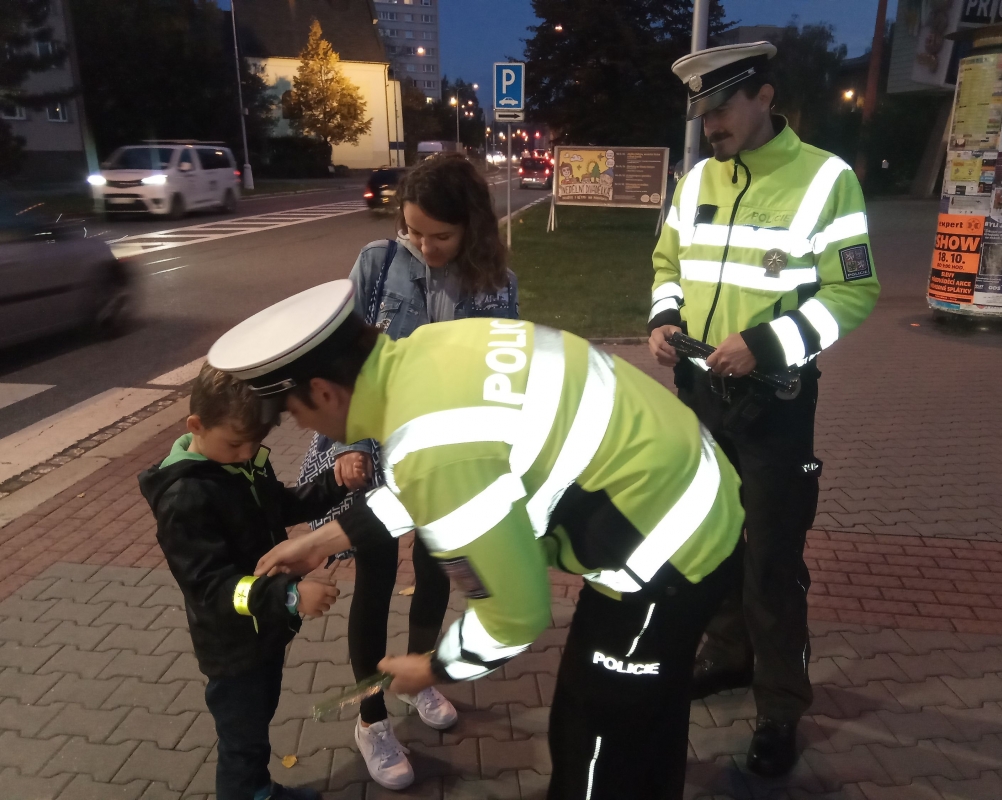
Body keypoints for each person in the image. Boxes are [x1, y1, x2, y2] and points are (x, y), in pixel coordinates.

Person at [206, 280, 745, 800]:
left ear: (323, 392)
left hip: (668, 553)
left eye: (294, 412)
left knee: (598, 734)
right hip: (693, 485)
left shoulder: (432, 448)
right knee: (646, 705)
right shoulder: (428, 351)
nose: (299, 422)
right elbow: (451, 477)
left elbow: (514, 615)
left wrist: (435, 667)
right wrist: (324, 540)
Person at [647, 42, 881, 776]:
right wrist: (662, 317)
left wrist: (766, 345)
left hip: (775, 403)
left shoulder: (824, 180)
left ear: (764, 97)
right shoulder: (694, 180)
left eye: (719, 109)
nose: (708, 124)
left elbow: (853, 292)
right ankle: (725, 655)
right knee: (714, 542)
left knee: (772, 564)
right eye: (701, 112)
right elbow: (665, 263)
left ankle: (779, 710)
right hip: (701, 395)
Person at [294, 153, 519, 790]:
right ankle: (370, 717)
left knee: (432, 570)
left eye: (439, 236)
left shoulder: (499, 283)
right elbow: (347, 359)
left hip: (445, 453)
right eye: (413, 231)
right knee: (372, 576)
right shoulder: (378, 263)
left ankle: (416, 676)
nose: (424, 245)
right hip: (372, 448)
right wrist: (354, 442)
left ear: (472, 227)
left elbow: (501, 376)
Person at [138, 365, 352, 800]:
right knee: (241, 741)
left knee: (255, 725)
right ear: (196, 426)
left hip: (263, 632)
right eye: (235, 443)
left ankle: (259, 789)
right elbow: (213, 588)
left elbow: (279, 505)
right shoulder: (185, 498)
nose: (246, 453)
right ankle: (246, 791)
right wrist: (290, 596)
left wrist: (333, 482)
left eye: (255, 443)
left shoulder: (240, 464)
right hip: (232, 647)